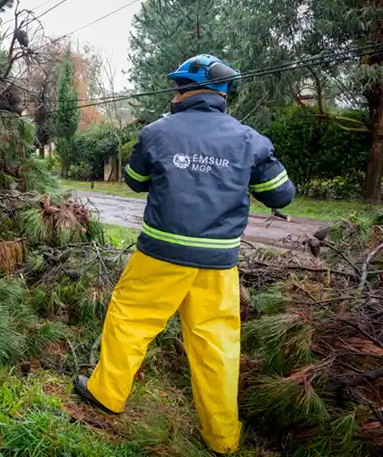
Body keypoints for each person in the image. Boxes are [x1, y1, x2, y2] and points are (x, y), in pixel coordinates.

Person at [73, 54, 296, 454]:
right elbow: (281, 194)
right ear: (223, 94)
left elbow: (136, 180)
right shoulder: (250, 140)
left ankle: (108, 393)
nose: (174, 93)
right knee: (217, 347)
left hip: (159, 255)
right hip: (218, 266)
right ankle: (222, 438)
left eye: (177, 87)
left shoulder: (158, 131)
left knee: (130, 319)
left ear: (184, 90)